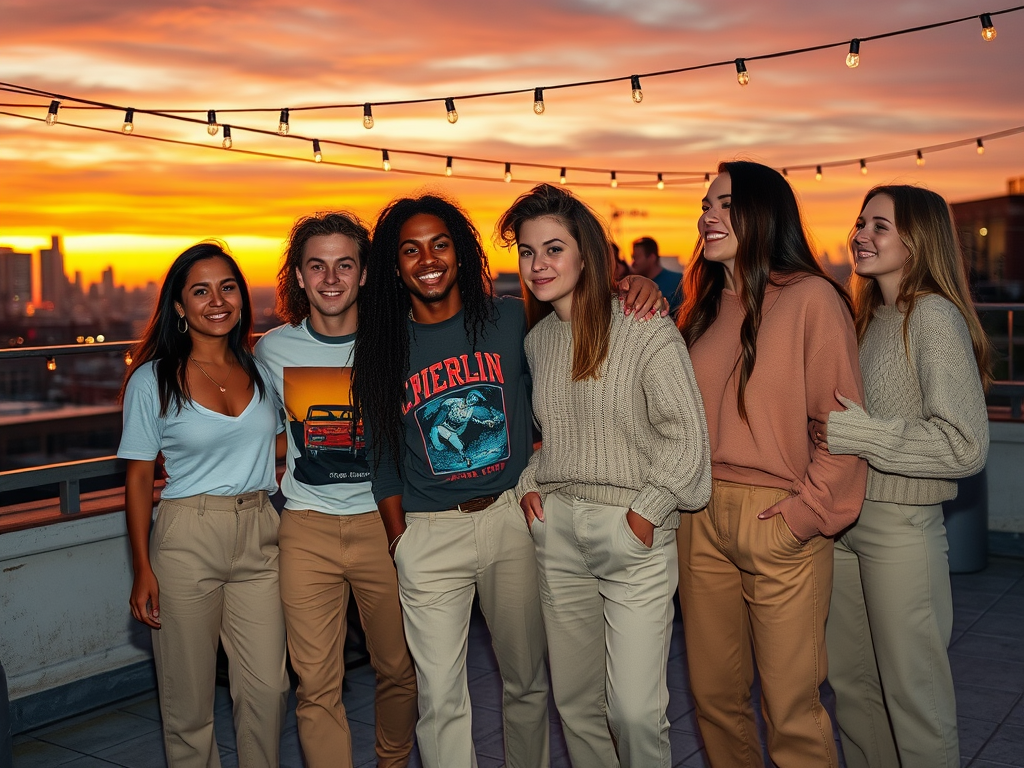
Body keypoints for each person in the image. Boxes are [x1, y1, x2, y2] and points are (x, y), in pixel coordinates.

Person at [351, 192, 664, 768]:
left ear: (462, 252)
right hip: (427, 531)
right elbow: (382, 454)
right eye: (411, 249)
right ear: (394, 266)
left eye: (440, 244)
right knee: (440, 698)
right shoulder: (384, 343)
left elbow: (578, 310)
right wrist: (401, 537)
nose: (428, 259)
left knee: (526, 683)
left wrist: (630, 286)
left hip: (511, 519)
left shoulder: (509, 318)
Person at [501, 183, 712, 768]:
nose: (538, 264)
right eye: (526, 251)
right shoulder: (539, 340)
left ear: (586, 254)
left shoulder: (643, 325)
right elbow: (545, 437)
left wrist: (647, 511)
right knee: (577, 705)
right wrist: (530, 488)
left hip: (633, 533)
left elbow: (687, 435)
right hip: (559, 533)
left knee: (636, 713)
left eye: (553, 249)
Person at [675, 161, 867, 767]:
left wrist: (805, 515)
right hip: (698, 516)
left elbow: (841, 428)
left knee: (790, 709)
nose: (709, 216)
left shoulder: (811, 298)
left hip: (777, 517)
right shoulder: (701, 306)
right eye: (706, 205)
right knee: (714, 699)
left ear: (765, 212)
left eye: (725, 203)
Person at [811, 185, 990, 768]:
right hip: (846, 524)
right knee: (856, 693)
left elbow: (965, 446)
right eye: (860, 223)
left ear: (919, 239)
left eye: (879, 226)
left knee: (915, 698)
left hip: (900, 528)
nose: (861, 234)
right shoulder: (868, 317)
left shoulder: (933, 315)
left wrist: (859, 434)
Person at [254, 213, 417, 768]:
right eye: (316, 265)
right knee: (315, 685)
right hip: (306, 528)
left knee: (399, 668)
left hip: (386, 524)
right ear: (298, 276)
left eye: (344, 264)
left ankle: (393, 760)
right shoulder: (272, 351)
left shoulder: (396, 342)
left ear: (365, 273)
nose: (330, 278)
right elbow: (256, 430)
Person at [118, 242, 288, 767]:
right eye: (201, 290)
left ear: (242, 297)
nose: (217, 300)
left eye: (228, 287)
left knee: (268, 690)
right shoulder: (153, 379)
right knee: (188, 704)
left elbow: (281, 442)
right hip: (187, 536)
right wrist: (143, 568)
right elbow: (139, 478)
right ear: (178, 306)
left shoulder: (259, 369)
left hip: (260, 530)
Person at [632, 236, 682, 317]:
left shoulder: (678, 282)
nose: (633, 263)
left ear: (652, 258)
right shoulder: (635, 286)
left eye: (636, 258)